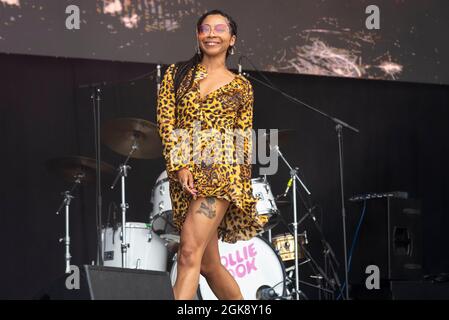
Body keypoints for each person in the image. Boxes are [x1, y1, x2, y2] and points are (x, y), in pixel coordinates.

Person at [156, 9, 266, 300]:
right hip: (184, 178)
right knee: (208, 265)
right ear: (197, 36)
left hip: (221, 175)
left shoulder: (242, 87)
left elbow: (243, 141)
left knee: (188, 254)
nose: (211, 34)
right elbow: (167, 124)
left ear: (232, 40)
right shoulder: (176, 75)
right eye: (205, 29)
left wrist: (240, 191)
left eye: (219, 29)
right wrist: (179, 166)